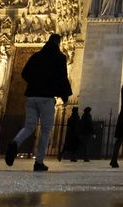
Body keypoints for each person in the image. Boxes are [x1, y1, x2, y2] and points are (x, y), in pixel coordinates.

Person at [5, 33, 72, 172]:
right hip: (47, 99)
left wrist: (35, 82)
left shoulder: (36, 56)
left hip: (31, 96)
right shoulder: (60, 57)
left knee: (29, 126)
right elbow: (62, 77)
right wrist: (64, 94)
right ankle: (39, 162)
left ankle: (14, 143)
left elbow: (25, 73)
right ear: (58, 43)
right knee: (46, 130)